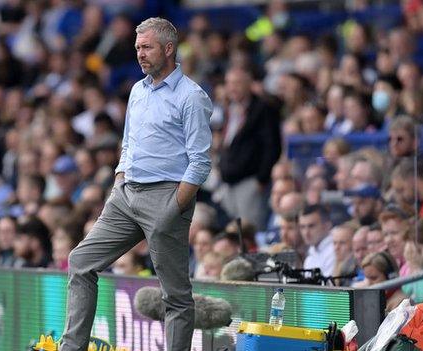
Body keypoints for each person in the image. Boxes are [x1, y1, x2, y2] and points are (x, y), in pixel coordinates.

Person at [60, 18, 212, 351]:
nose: (140, 54)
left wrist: (174, 208)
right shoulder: (137, 90)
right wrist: (118, 183)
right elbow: (128, 144)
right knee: (80, 261)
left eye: (147, 47)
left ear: (169, 49)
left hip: (167, 195)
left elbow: (200, 163)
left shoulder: (191, 97)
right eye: (137, 48)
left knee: (175, 295)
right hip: (127, 194)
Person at [218, 66, 281, 230]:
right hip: (229, 182)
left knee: (250, 231)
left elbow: (272, 146)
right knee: (234, 233)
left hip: (250, 181)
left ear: (249, 84)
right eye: (229, 83)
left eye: (237, 83)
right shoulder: (229, 109)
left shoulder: (262, 109)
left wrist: (262, 178)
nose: (232, 88)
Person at [299, 204, 335, 277]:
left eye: (311, 226)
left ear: (327, 225)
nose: (306, 233)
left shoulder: (335, 250)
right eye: (302, 227)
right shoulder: (311, 251)